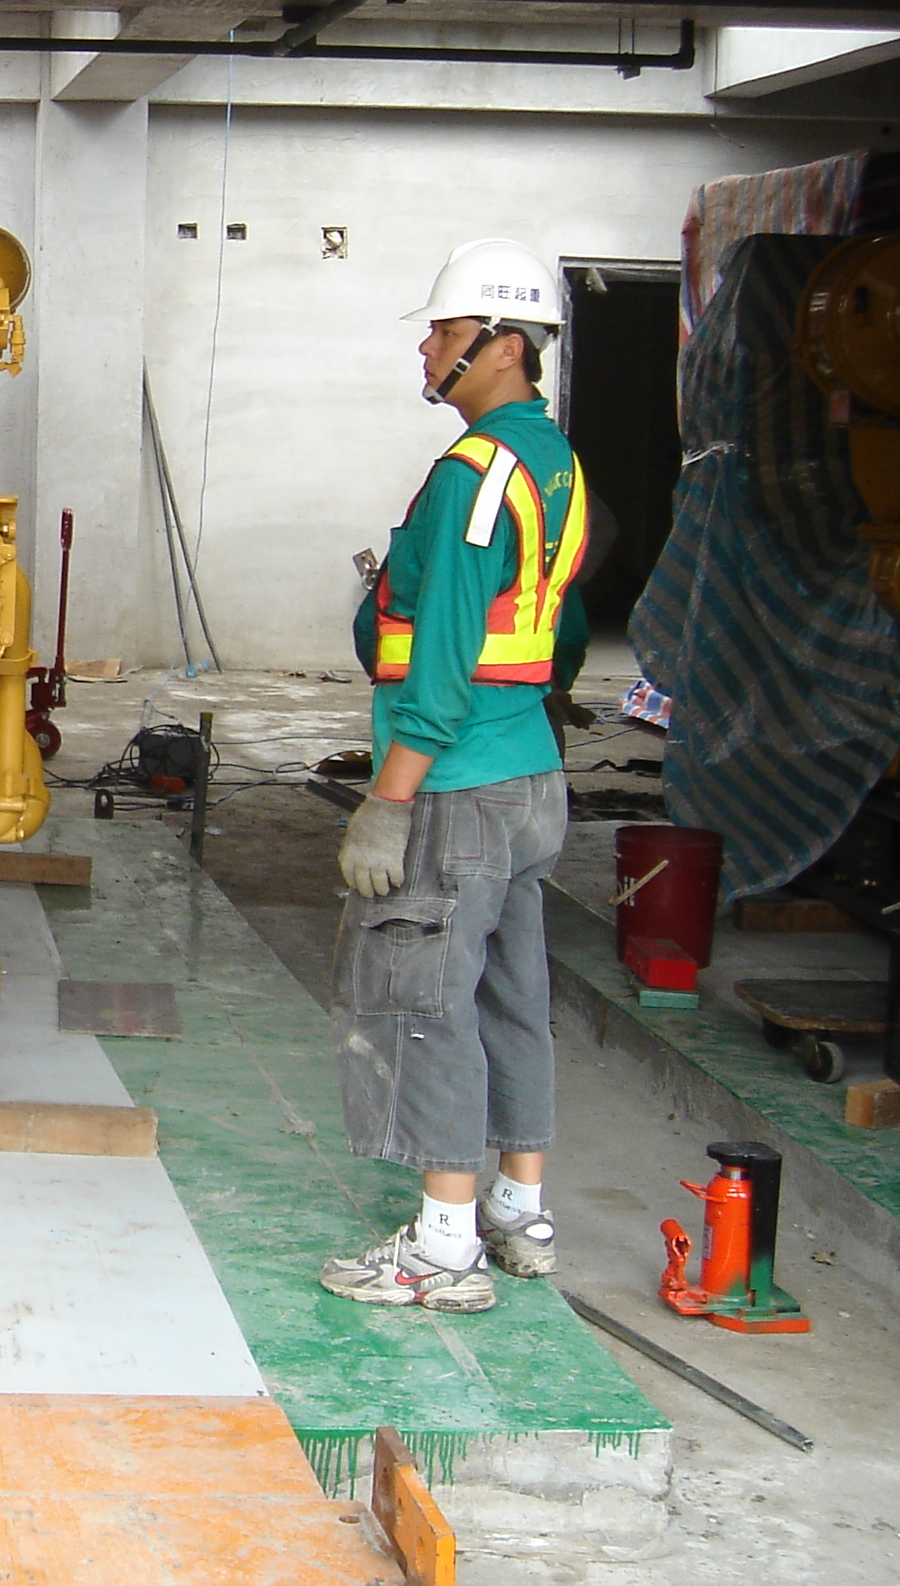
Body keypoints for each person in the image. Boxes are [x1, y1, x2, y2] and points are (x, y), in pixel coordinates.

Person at [323, 240, 590, 1315]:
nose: (429, 349)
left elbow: (440, 654)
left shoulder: (473, 478)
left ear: (504, 345)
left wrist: (389, 802)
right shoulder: (553, 459)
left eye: (444, 330)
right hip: (528, 773)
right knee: (511, 997)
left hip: (460, 783)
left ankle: (442, 1249)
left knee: (426, 998)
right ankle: (520, 1216)